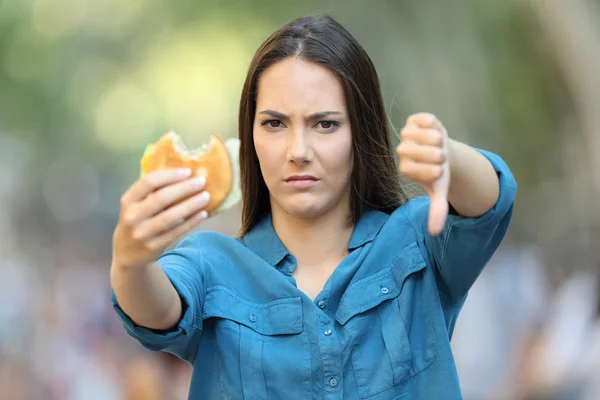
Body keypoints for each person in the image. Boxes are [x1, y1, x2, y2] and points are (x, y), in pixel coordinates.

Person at [110, 14, 517, 399]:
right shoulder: (210, 266)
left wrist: (448, 155)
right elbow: (155, 309)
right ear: (249, 134)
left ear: (361, 130)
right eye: (274, 124)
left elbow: (488, 205)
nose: (298, 151)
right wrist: (130, 261)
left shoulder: (416, 240)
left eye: (325, 124)